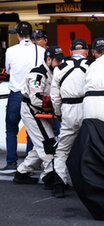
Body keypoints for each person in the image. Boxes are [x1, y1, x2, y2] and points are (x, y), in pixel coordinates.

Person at [13, 46, 64, 186]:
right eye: (57, 61)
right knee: (47, 143)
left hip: (42, 111)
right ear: (48, 59)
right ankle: (49, 175)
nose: (60, 63)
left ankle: (21, 173)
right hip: (32, 110)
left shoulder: (54, 72)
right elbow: (36, 99)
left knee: (40, 144)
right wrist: (57, 102)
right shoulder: (37, 74)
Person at [0, 21, 45, 173]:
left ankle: (11, 162)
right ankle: (29, 163)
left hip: (16, 94)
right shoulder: (41, 51)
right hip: (33, 95)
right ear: (32, 35)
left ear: (17, 34)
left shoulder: (11, 51)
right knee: (31, 130)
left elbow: (8, 69)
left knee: (11, 129)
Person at [50, 39, 91, 198]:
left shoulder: (60, 68)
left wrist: (59, 112)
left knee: (63, 149)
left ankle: (59, 184)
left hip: (68, 109)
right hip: (87, 107)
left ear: (70, 51)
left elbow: (55, 96)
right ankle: (89, 184)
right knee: (90, 147)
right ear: (87, 52)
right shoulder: (91, 66)